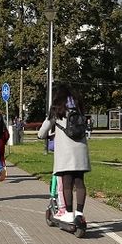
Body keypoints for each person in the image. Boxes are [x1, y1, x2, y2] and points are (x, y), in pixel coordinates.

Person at [37, 85, 91, 222]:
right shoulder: (78, 109)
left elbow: (42, 132)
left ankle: (68, 213)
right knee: (80, 183)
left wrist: (41, 135)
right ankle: (79, 213)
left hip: (66, 155)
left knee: (67, 184)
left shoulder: (57, 111)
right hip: (81, 153)